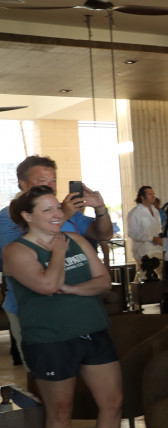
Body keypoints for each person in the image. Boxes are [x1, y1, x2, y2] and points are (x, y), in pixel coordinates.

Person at [3, 186, 145, 428]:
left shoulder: (76, 240)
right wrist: (57, 253)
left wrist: (72, 289)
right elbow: (46, 285)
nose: (58, 214)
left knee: (113, 402)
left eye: (57, 207)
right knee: (60, 411)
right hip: (50, 339)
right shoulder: (16, 251)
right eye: (48, 210)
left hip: (93, 331)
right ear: (27, 216)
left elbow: (103, 281)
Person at [1, 156, 113, 367]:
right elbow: (17, 252)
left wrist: (100, 209)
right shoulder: (9, 217)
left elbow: (103, 234)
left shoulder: (65, 211)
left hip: (77, 305)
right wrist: (62, 215)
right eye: (43, 180)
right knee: (45, 368)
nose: (50, 186)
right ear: (23, 183)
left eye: (53, 180)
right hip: (35, 310)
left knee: (87, 365)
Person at [126, 185, 164, 281]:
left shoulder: (155, 211)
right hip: (143, 251)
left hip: (157, 249)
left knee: (163, 275)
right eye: (150, 194)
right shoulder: (135, 213)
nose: (153, 196)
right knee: (143, 277)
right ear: (142, 197)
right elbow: (132, 233)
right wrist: (152, 238)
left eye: (153, 194)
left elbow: (157, 229)